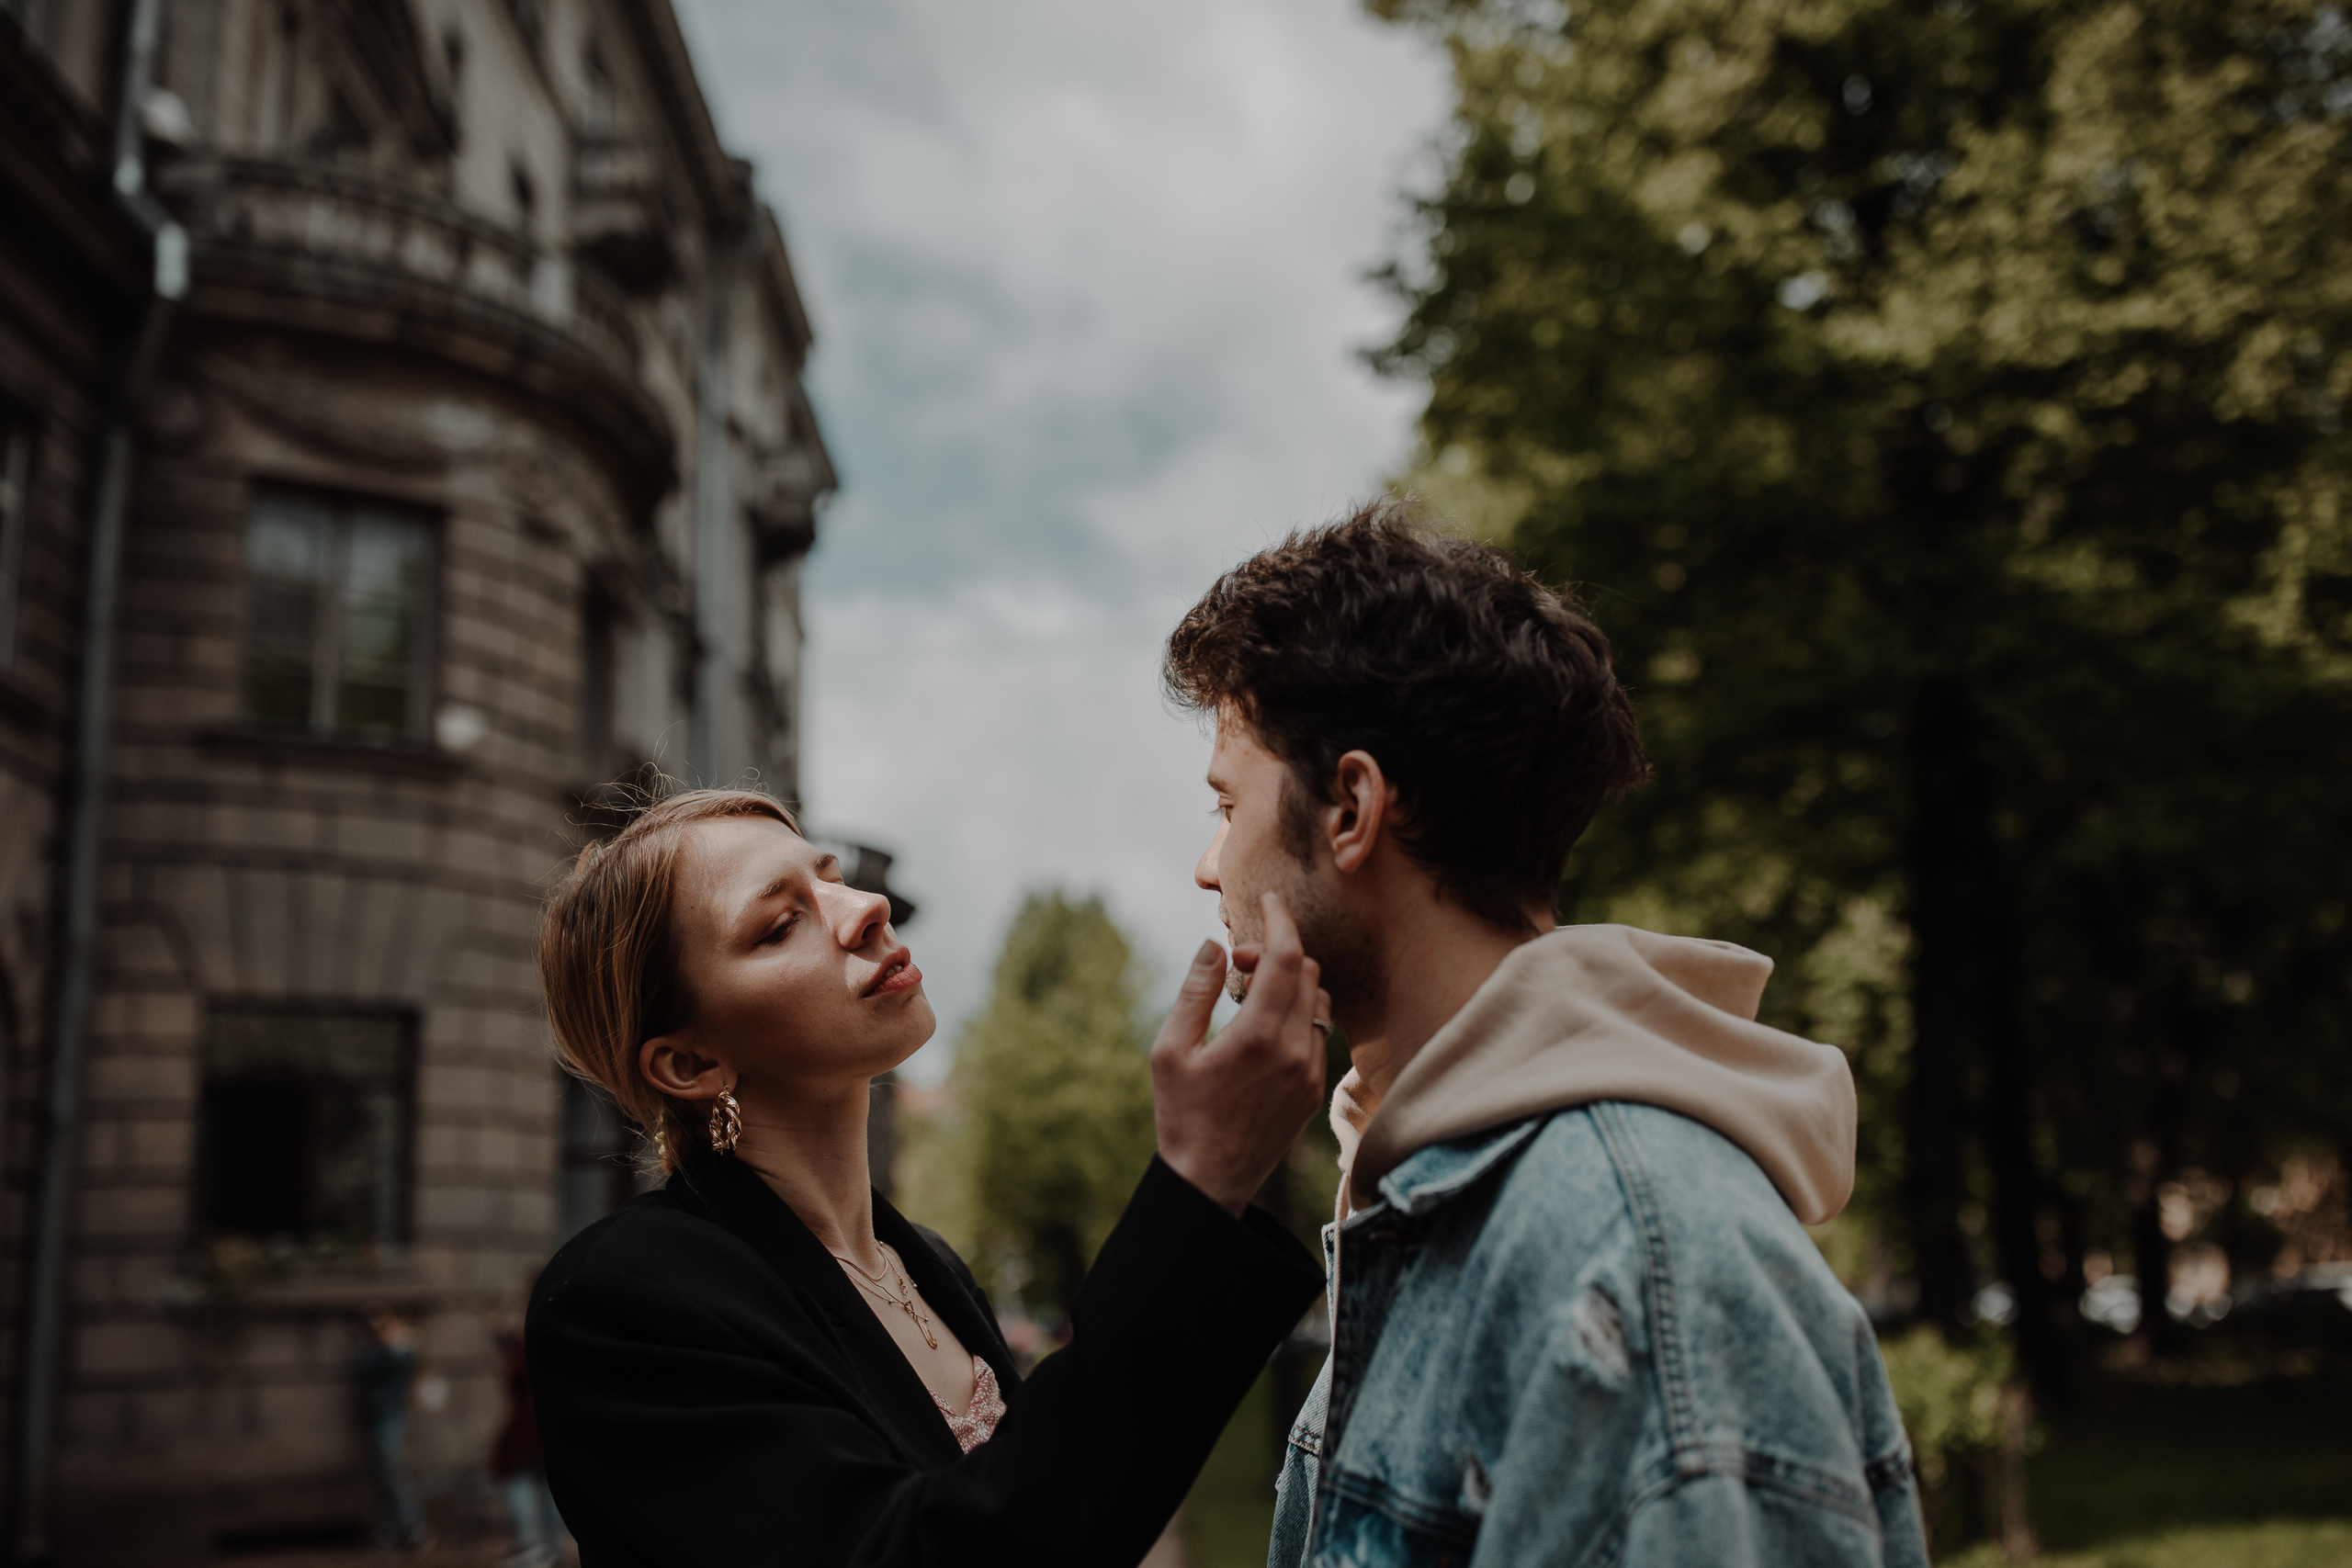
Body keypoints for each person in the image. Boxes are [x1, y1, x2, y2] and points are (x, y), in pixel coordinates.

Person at [1162, 502, 1929, 1567]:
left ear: (1350, 809)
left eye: (1224, 805)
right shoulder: (1432, 1192)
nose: (1208, 866)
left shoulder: (1634, 1254)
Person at [526, 788, 1329, 1567]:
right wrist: (1197, 1190)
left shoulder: (930, 1266)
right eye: (779, 924)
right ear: (690, 1061)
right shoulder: (625, 1299)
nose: (864, 907)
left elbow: (1050, 1508)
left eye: (831, 876)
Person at [486, 1312, 562, 1568]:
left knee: (525, 1479)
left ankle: (538, 1545)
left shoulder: (526, 1344)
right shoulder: (528, 1342)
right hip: (541, 1425)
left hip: (532, 1426)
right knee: (542, 1481)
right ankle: (545, 1546)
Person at [353, 1308, 432, 1554]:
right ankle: (387, 1533)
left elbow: (396, 1361)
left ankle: (416, 1527)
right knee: (384, 1478)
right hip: (377, 1418)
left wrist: (393, 1342)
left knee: (390, 1477)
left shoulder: (397, 1352)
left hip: (389, 1419)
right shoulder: (373, 1353)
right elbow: (361, 1368)